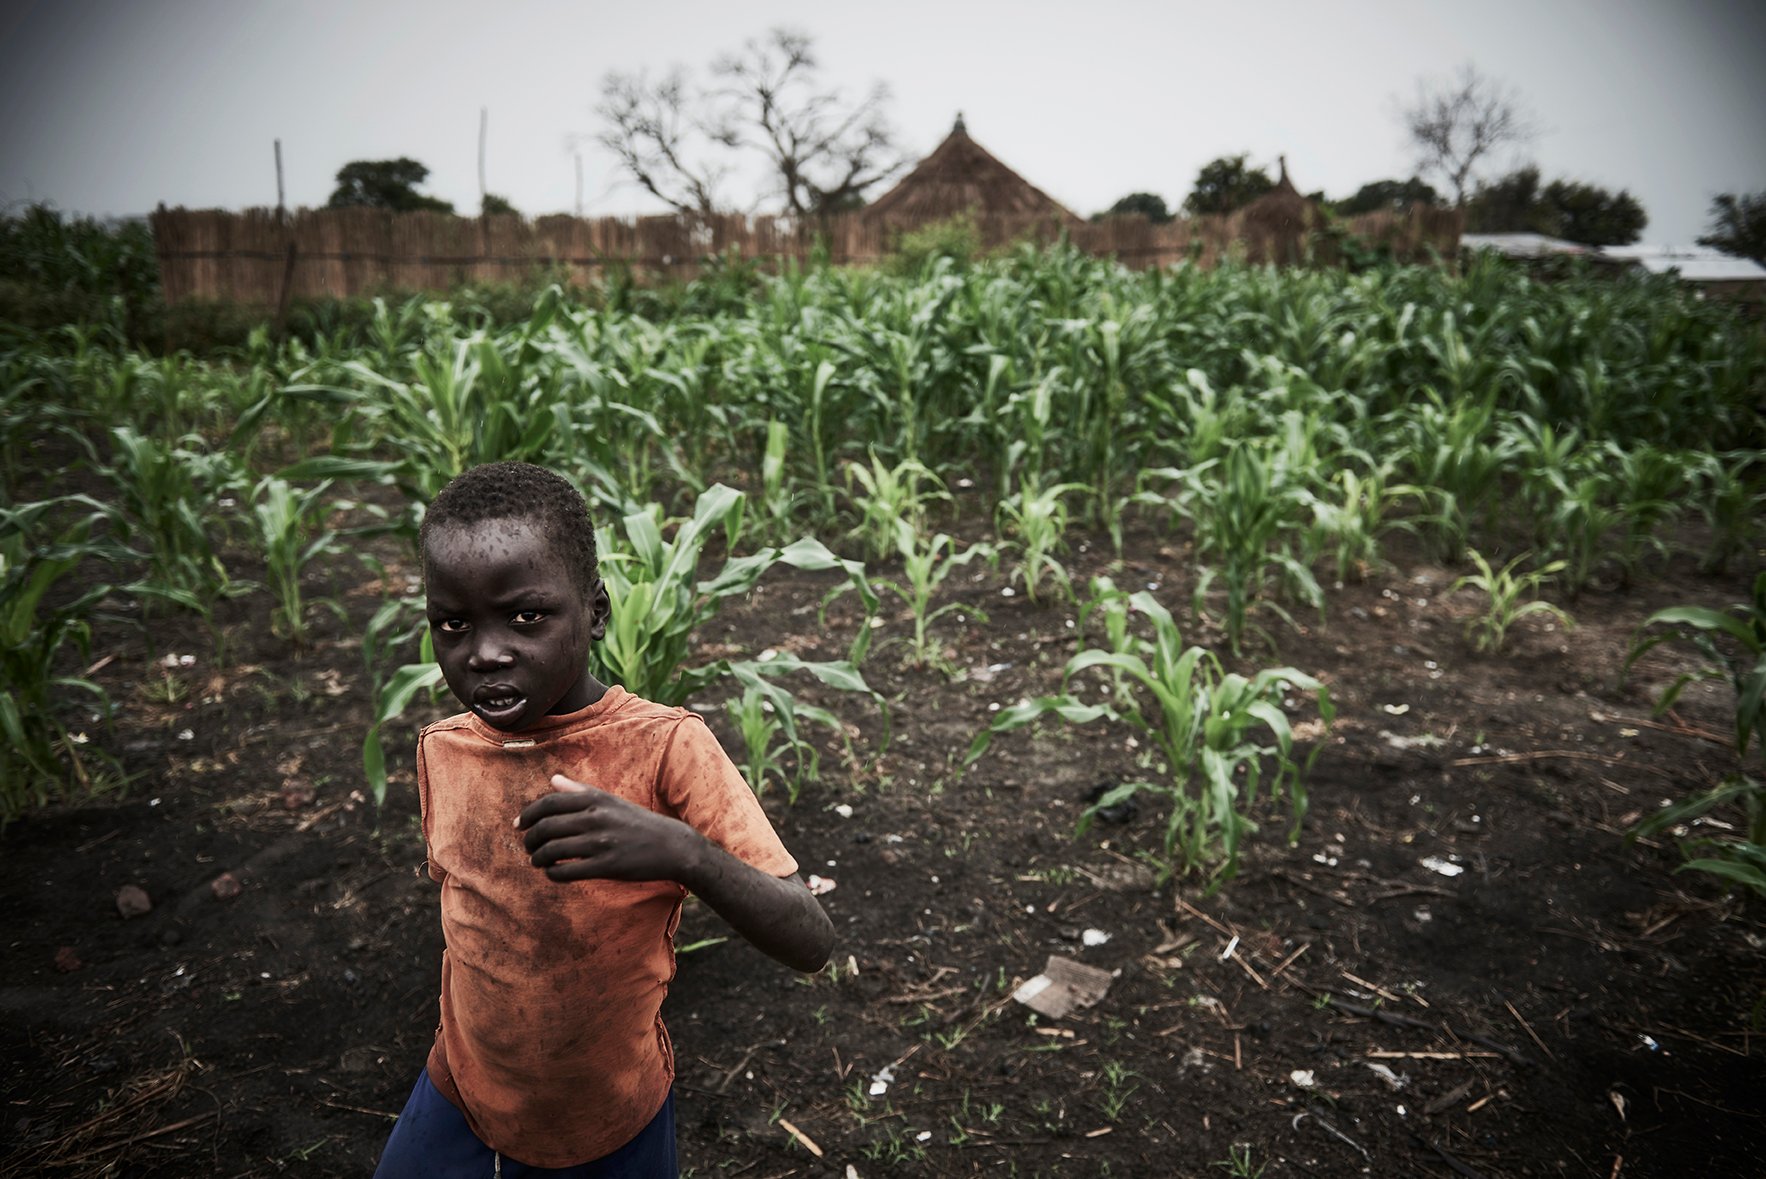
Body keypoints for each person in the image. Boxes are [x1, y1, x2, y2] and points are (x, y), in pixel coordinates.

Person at [375, 461, 835, 1178]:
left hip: (612, 1120)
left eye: (525, 615)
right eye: (452, 624)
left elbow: (810, 937)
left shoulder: (664, 748)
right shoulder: (445, 748)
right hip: (461, 1095)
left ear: (594, 609)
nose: (486, 652)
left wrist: (683, 852)